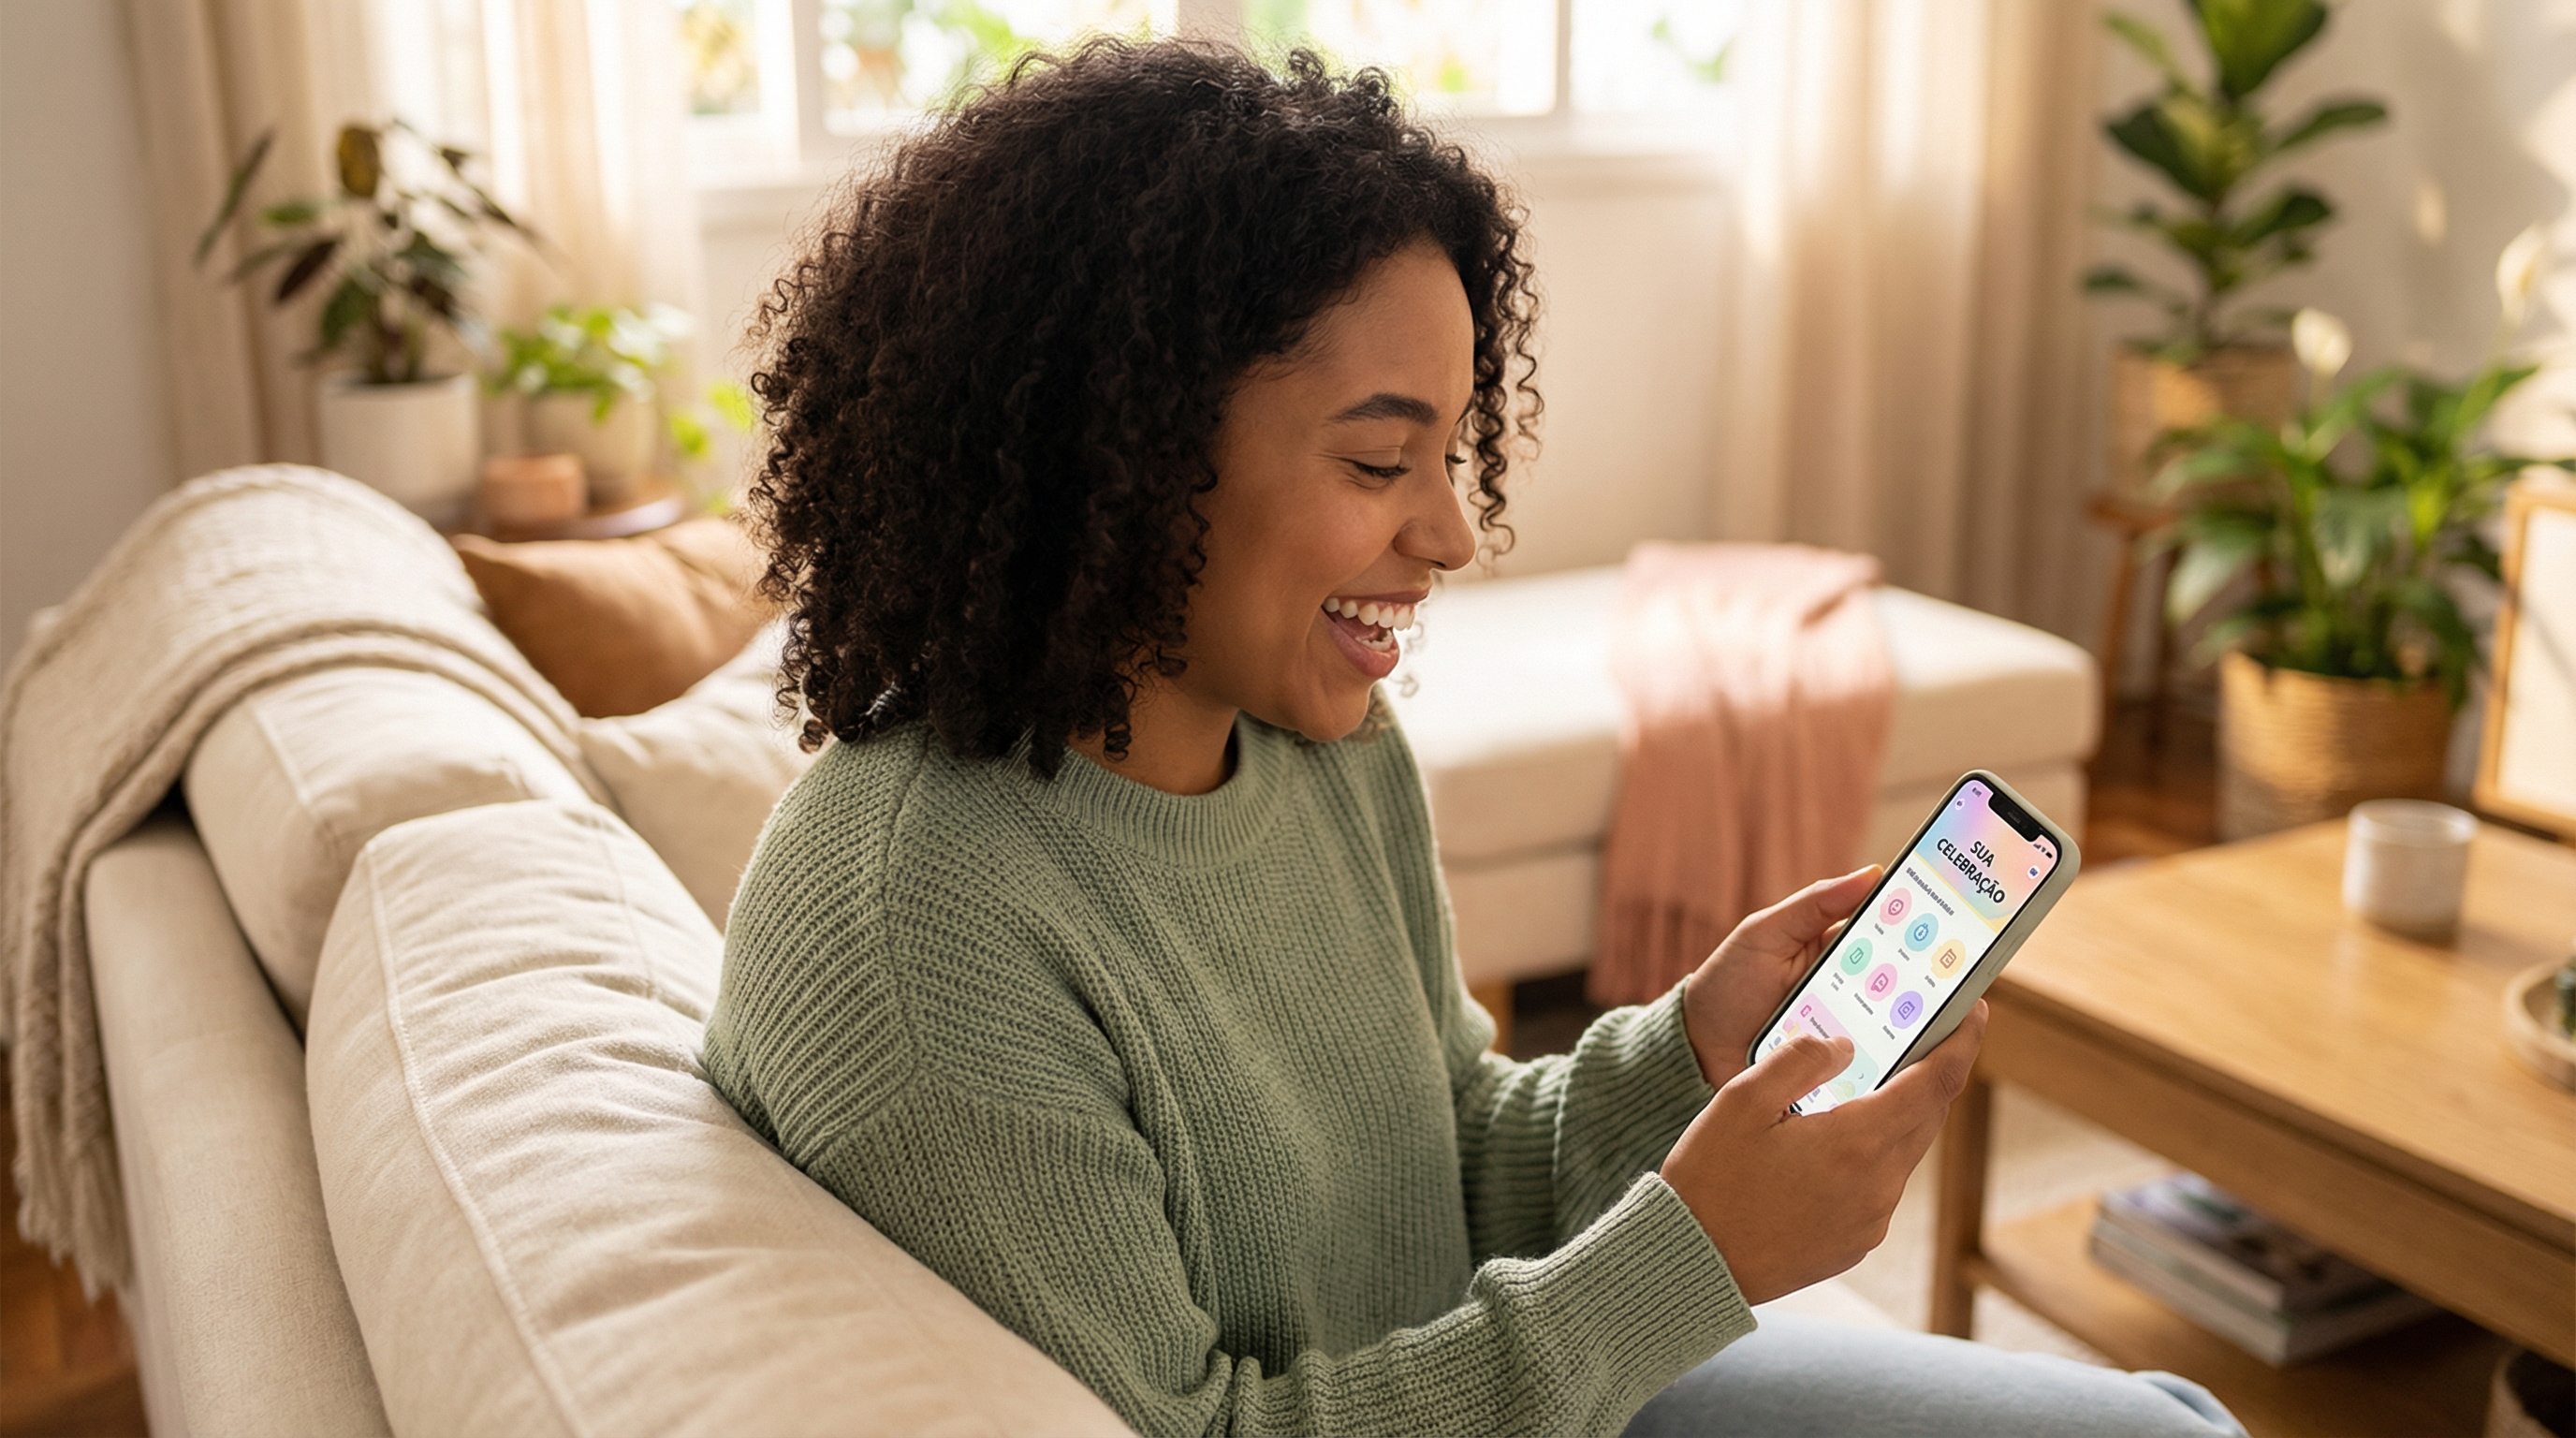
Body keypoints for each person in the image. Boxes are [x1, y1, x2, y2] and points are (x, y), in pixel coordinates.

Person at [704, 37, 2243, 1438]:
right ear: (1122, 451)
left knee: (2175, 1423)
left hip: (1494, 1394)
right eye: (1382, 458)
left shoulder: (1319, 745)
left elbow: (1442, 1167)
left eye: (1450, 452)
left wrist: (1690, 1052)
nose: (1449, 532)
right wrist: (1690, 1260)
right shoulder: (914, 915)